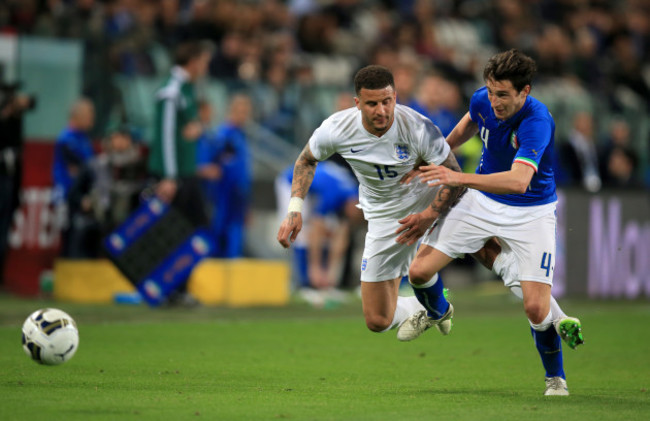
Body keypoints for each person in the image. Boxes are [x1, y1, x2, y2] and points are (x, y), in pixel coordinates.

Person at [401, 49, 584, 396]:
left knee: (534, 307)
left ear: (524, 91)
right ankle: (439, 312)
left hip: (532, 212)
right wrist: (436, 156)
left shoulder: (537, 121)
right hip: (482, 202)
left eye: (503, 94)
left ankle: (555, 378)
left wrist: (458, 178)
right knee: (419, 272)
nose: (494, 101)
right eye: (491, 91)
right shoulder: (483, 99)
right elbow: (468, 123)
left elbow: (518, 181)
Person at [277, 65, 466, 338]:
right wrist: (294, 209)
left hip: (427, 203)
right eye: (372, 103)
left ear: (395, 98)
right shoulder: (337, 128)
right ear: (358, 103)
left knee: (483, 246)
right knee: (378, 320)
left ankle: (542, 313)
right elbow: (306, 159)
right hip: (384, 217)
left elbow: (455, 176)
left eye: (387, 101)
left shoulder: (417, 127)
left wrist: (428, 214)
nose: (381, 110)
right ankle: (428, 305)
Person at [275, 160, 362, 305]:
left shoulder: (352, 196)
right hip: (293, 182)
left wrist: (331, 275)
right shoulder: (334, 195)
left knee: (329, 234)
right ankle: (305, 284)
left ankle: (324, 285)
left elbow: (342, 236)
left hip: (315, 188)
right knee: (300, 233)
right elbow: (316, 228)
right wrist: (315, 268)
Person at [147, 40, 212, 227]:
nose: (206, 67)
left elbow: (190, 126)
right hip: (173, 176)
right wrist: (169, 177)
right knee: (170, 233)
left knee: (197, 228)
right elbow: (166, 136)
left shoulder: (188, 87)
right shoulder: (171, 91)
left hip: (186, 172)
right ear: (193, 62)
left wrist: (198, 126)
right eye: (204, 62)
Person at [197, 93, 253, 258]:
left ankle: (233, 269)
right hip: (222, 195)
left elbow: (243, 172)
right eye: (241, 111)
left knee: (236, 235)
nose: (244, 115)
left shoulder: (241, 136)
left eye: (246, 112)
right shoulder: (221, 135)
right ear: (232, 110)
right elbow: (206, 165)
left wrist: (248, 203)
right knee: (218, 231)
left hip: (239, 197)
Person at [52, 98, 97, 257]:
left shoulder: (83, 138)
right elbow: (81, 170)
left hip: (82, 198)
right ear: (79, 116)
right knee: (71, 242)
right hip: (69, 198)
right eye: (90, 114)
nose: (93, 118)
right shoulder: (67, 139)